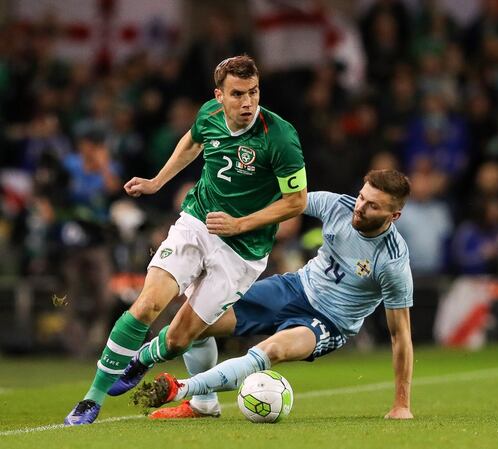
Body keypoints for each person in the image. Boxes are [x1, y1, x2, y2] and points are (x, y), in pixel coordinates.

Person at [65, 55, 308, 425]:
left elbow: (297, 201)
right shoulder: (209, 113)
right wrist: (157, 182)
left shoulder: (280, 136)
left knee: (180, 338)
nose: (247, 103)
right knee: (146, 306)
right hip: (197, 221)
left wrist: (241, 224)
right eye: (238, 94)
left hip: (243, 250)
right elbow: (192, 142)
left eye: (254, 93)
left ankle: (144, 358)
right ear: (219, 95)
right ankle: (90, 399)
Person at [133, 170, 414, 420]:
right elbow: (286, 202)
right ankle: (202, 403)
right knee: (198, 320)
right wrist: (238, 218)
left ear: (394, 215)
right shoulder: (338, 205)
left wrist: (401, 404)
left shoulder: (392, 261)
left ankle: (181, 388)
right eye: (361, 197)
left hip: (329, 322)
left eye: (372, 205)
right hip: (293, 288)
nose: (360, 208)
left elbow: (400, 335)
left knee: (272, 350)